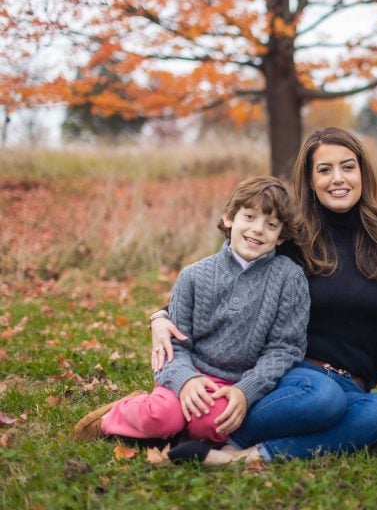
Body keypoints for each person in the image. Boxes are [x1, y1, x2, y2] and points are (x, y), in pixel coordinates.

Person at [149, 127, 377, 463]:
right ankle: (209, 427)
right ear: (310, 180)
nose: (338, 179)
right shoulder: (292, 242)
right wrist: (160, 315)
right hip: (294, 378)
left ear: (362, 172)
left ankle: (244, 457)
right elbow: (227, 279)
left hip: (354, 385)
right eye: (324, 169)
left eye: (348, 167)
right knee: (322, 397)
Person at [73, 176, 311, 464]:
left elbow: (285, 349)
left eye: (271, 225)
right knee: (162, 417)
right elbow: (175, 344)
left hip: (233, 384)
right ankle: (115, 416)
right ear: (229, 218)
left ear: (281, 236)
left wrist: (245, 390)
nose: (258, 229)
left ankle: (177, 428)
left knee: (209, 426)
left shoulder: (289, 278)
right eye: (249, 217)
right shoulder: (194, 276)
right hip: (188, 372)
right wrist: (186, 381)